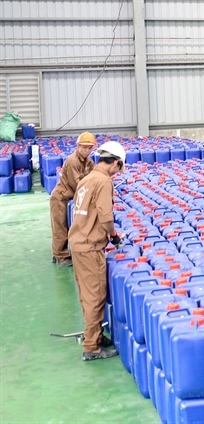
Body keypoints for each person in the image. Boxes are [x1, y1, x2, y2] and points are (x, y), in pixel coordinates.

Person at [68, 141, 126, 361]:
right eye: (119, 168)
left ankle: (95, 336)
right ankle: (92, 347)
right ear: (116, 163)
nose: (118, 173)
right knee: (95, 296)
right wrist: (114, 235)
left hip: (78, 242)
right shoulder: (103, 181)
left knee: (87, 294)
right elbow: (106, 216)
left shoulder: (87, 178)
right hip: (90, 246)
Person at [49, 132, 96, 266]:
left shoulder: (89, 162)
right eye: (84, 147)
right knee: (60, 227)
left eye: (89, 147)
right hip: (61, 198)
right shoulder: (72, 161)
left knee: (67, 227)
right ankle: (60, 256)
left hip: (70, 199)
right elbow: (77, 184)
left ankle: (60, 253)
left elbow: (95, 176)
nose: (87, 150)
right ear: (78, 146)